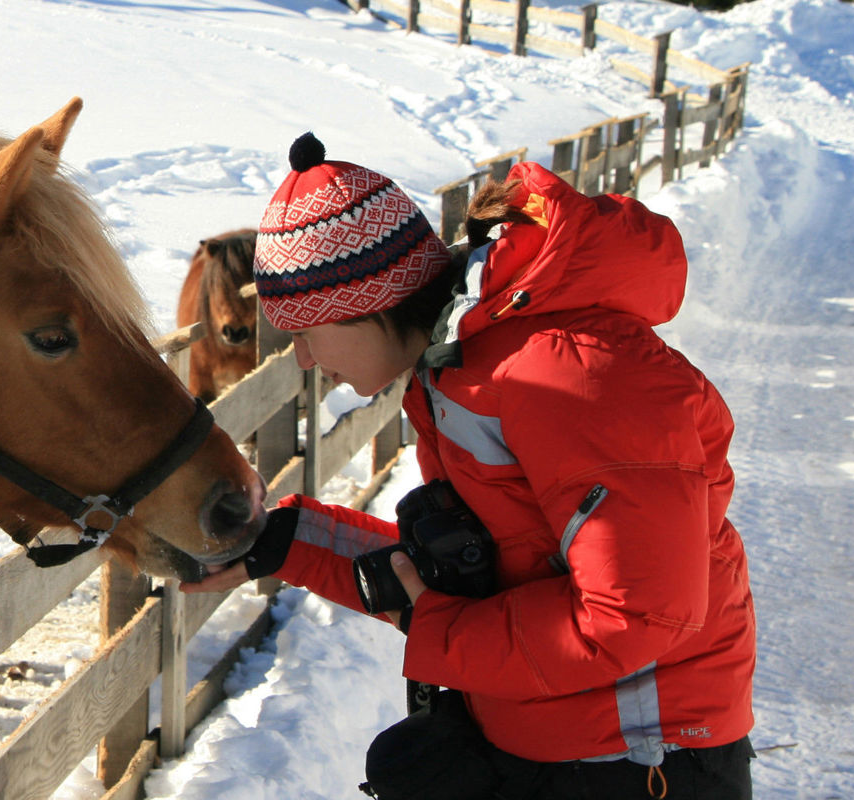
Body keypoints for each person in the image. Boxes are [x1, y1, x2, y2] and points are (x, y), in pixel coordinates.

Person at [184, 133, 756, 799]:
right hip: (561, 744)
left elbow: (637, 614)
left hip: (641, 763)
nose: (306, 361)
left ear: (365, 302)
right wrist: (288, 543)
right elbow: (487, 571)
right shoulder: (464, 375)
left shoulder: (565, 379)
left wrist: (443, 630)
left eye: (306, 332)